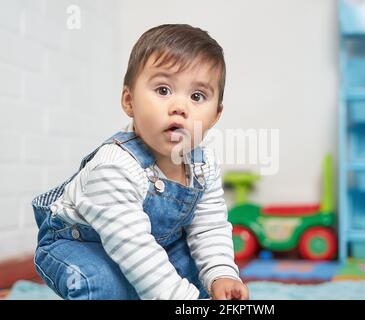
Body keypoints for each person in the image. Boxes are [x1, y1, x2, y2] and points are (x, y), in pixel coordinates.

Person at [32, 24, 249, 300]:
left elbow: (209, 225)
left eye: (197, 96)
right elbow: (135, 249)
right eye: (163, 90)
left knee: (197, 273)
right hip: (80, 244)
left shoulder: (202, 164)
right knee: (104, 284)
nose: (180, 107)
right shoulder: (114, 167)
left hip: (153, 243)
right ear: (129, 100)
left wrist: (221, 273)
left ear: (215, 116)